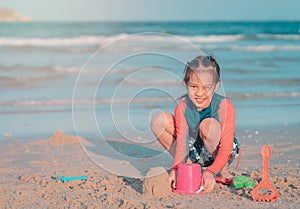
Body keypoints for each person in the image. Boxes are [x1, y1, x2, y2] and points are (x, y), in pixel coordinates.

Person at [151, 55, 240, 193]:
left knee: (207, 125)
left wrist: (210, 172)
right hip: (195, 150)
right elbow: (181, 144)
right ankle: (189, 168)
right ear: (186, 84)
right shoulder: (182, 107)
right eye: (193, 86)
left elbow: (226, 148)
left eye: (206, 87)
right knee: (158, 120)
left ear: (216, 86)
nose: (199, 93)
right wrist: (176, 168)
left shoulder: (225, 106)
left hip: (222, 152)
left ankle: (222, 170)